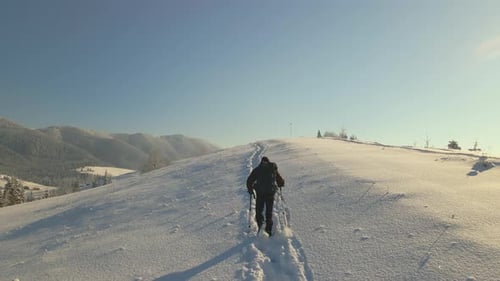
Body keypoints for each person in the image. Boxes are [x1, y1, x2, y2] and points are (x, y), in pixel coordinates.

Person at [246, 156, 285, 236]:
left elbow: (249, 181)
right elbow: (280, 180)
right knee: (269, 212)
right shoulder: (273, 168)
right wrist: (281, 184)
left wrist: (250, 189)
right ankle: (268, 230)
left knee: (259, 211)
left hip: (260, 193)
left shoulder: (257, 170)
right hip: (270, 193)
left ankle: (261, 226)